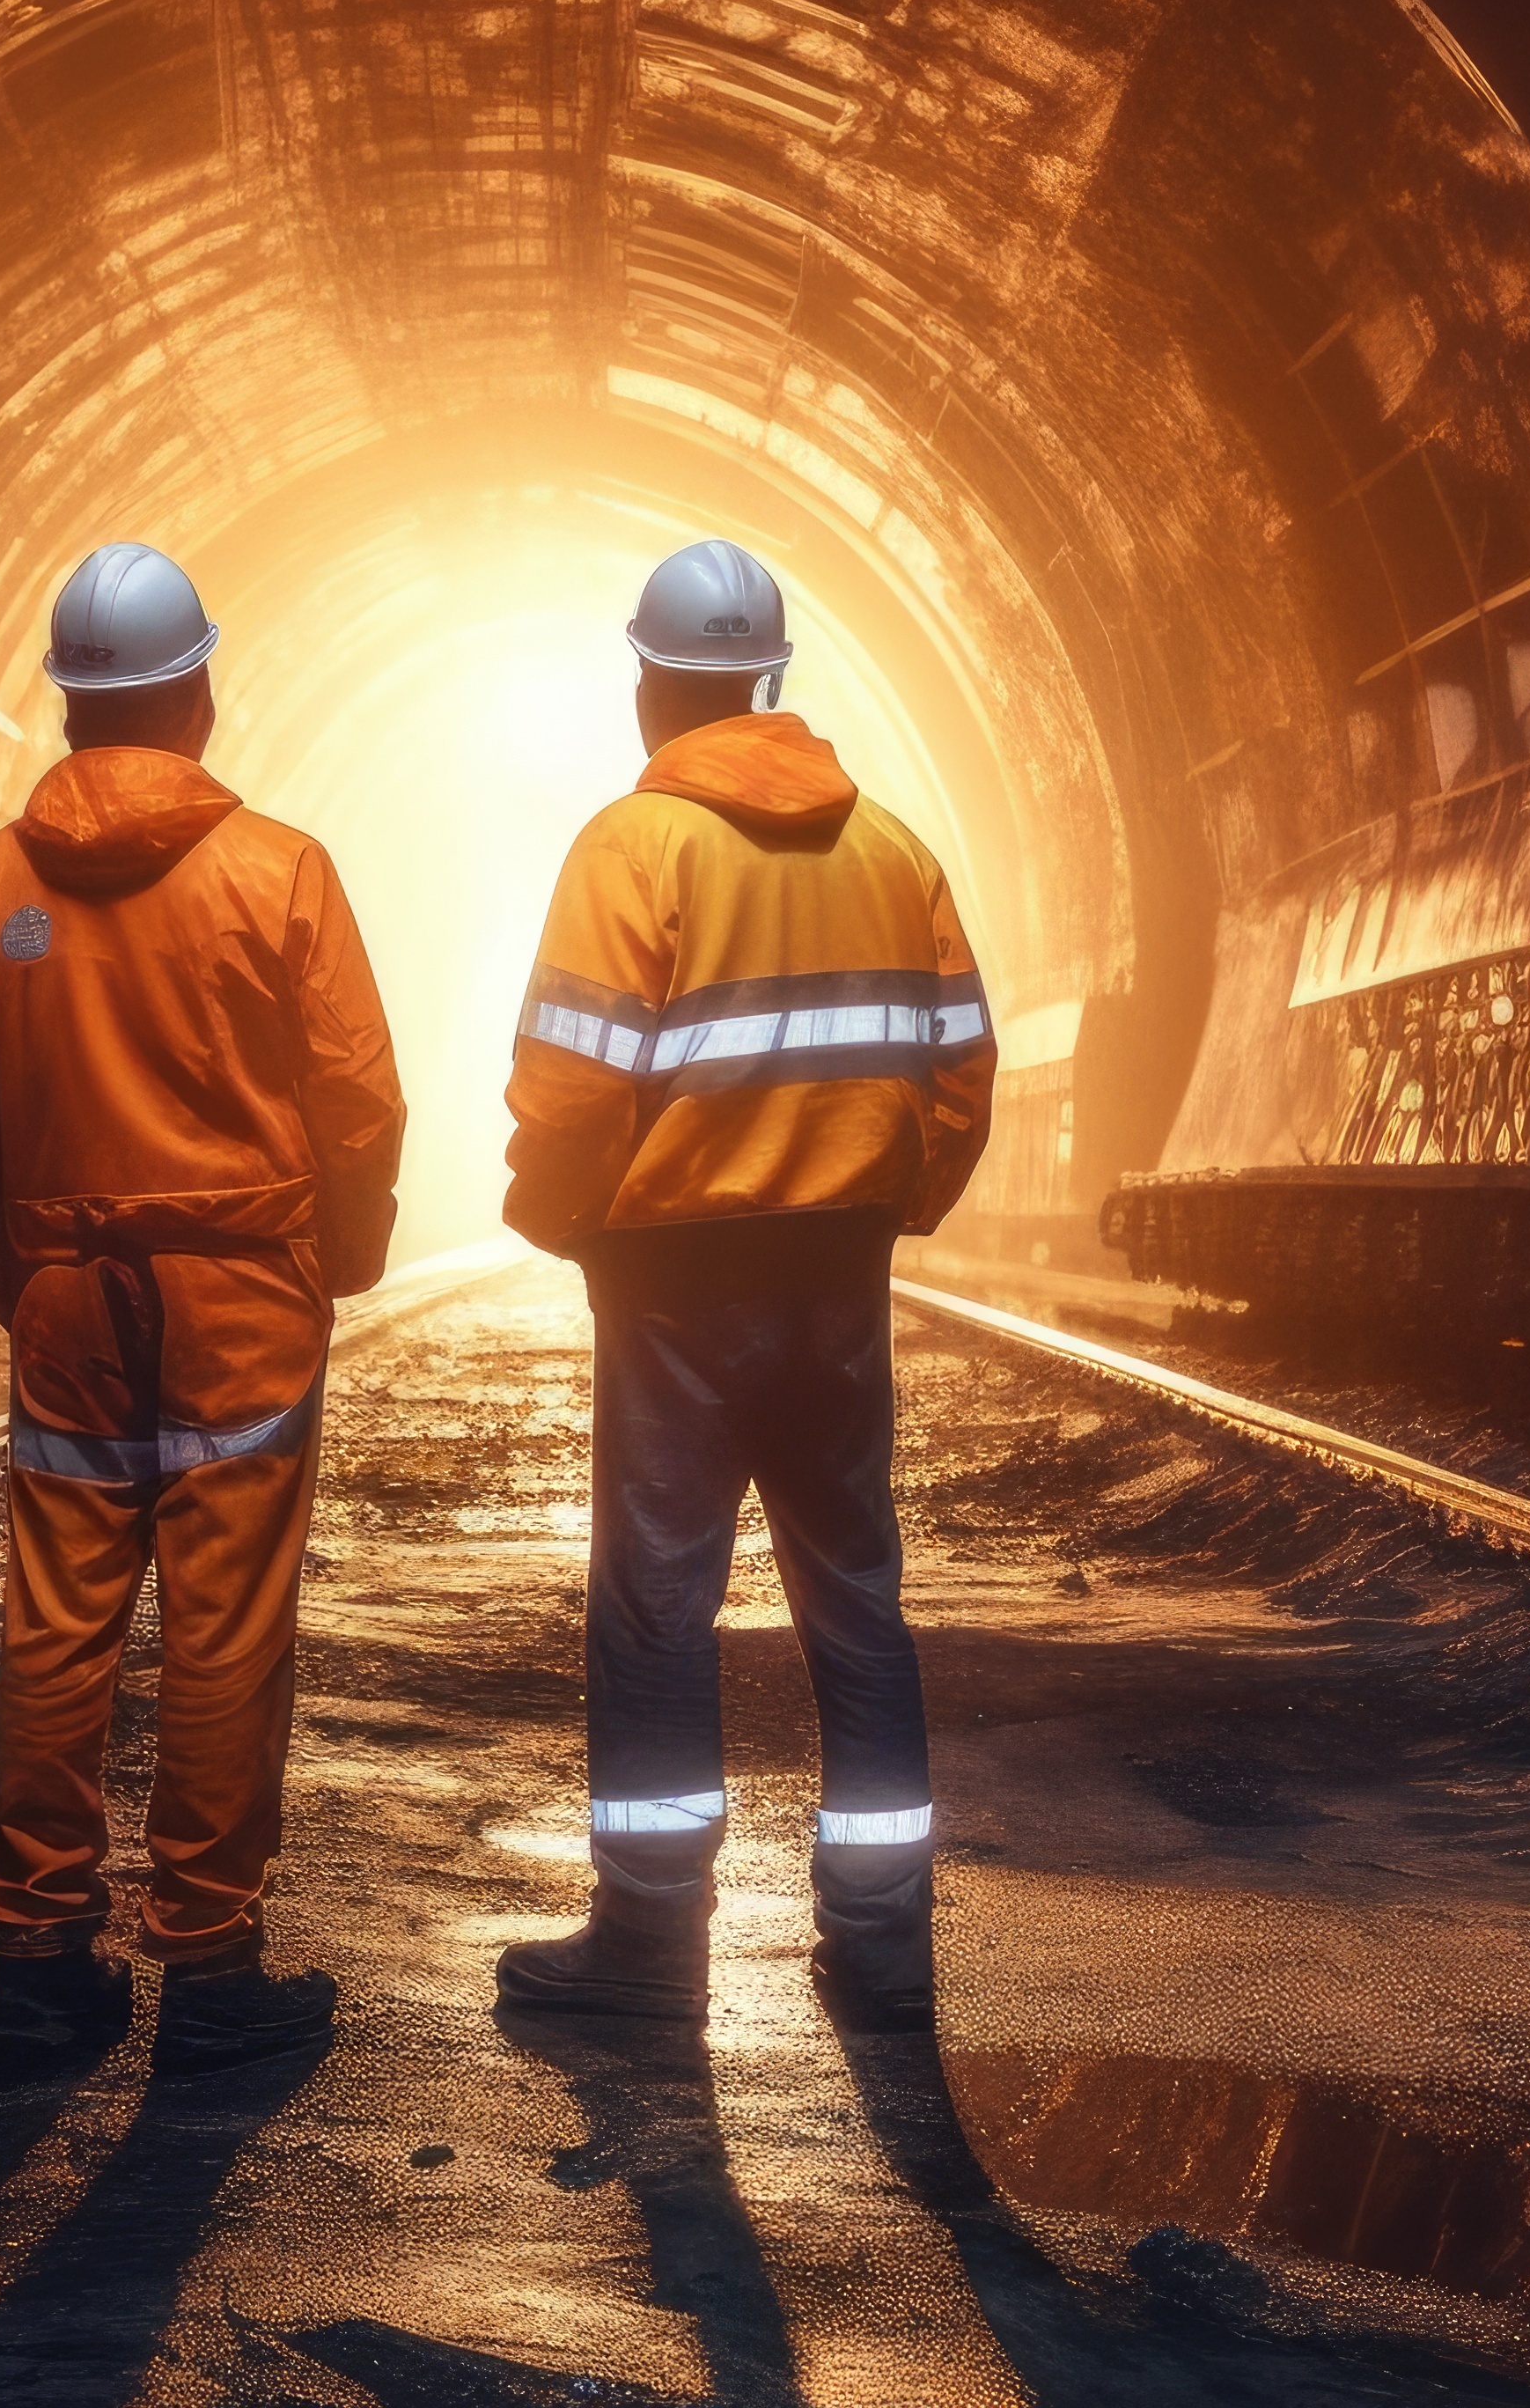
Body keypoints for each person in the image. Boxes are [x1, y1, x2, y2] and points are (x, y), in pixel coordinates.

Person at [0, 541, 405, 2077]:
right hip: (242, 1290)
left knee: (58, 1623)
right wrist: (343, 1253)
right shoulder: (279, 871)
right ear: (196, 691)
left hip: (66, 1296)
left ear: (66, 706)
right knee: (222, 1629)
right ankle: (206, 1967)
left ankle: (39, 1968)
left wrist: (22, 1274)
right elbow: (358, 1100)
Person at [494, 540, 994, 2033]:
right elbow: (960, 1074)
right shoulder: (895, 851)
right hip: (835, 1274)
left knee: (657, 1607)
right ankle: (884, 1947)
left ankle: (651, 1950)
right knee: (856, 1603)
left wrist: (560, 1217)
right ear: (772, 680)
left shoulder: (631, 851)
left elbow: (572, 1089)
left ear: (652, 681)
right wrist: (892, 1207)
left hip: (677, 1283)